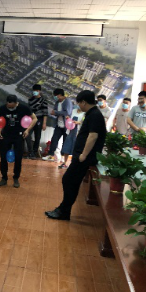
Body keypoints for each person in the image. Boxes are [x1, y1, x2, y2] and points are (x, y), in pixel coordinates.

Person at [45, 90, 107, 221]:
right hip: (81, 155)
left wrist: (84, 154)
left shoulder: (95, 115)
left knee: (68, 180)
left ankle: (64, 211)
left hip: (85, 157)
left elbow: (93, 136)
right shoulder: (91, 114)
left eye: (79, 103)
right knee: (71, 181)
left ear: (83, 102)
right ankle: (64, 210)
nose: (78, 106)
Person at [0, 95, 37, 188]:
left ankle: (16, 178)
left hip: (19, 136)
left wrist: (27, 130)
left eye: (12, 107)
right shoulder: (3, 108)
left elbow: (34, 118)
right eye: (9, 106)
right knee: (3, 157)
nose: (10, 108)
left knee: (18, 158)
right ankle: (4, 178)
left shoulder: (24, 108)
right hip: (6, 136)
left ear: (16, 103)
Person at [43, 88, 72, 162]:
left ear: (60, 95)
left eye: (55, 95)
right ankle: (50, 155)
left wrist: (56, 112)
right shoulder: (57, 102)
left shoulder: (67, 101)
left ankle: (63, 157)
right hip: (58, 125)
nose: (55, 97)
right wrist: (54, 113)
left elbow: (67, 113)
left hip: (66, 126)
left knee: (65, 142)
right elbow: (55, 111)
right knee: (54, 140)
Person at [59, 104, 85, 169]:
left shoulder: (85, 113)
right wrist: (68, 118)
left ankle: (73, 164)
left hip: (77, 132)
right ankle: (65, 163)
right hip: (70, 131)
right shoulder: (73, 111)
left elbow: (84, 123)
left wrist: (78, 122)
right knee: (66, 147)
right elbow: (70, 119)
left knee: (75, 149)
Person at [26, 84, 48, 159]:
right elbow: (28, 110)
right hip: (31, 120)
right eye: (34, 90)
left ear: (39, 91)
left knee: (37, 136)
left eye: (37, 91)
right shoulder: (30, 99)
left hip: (39, 120)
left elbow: (45, 113)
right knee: (27, 134)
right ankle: (30, 152)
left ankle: (35, 152)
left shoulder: (43, 100)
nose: (35, 92)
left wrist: (44, 123)